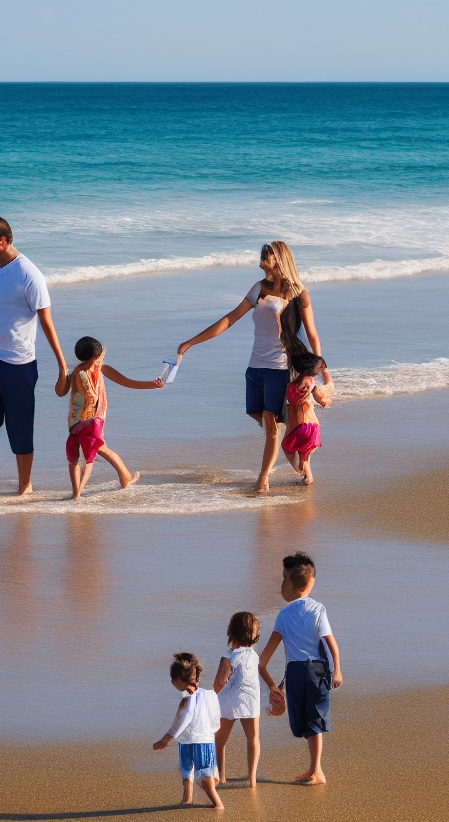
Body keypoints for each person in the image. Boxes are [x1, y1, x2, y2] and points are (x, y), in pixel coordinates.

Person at [175, 241, 323, 494]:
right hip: (255, 365)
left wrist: (313, 373)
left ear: (277, 260)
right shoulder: (259, 288)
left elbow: (312, 335)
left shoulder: (298, 293)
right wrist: (189, 343)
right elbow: (230, 319)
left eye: (265, 256)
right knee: (256, 413)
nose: (260, 259)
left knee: (269, 421)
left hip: (280, 367)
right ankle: (292, 442)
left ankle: (263, 478)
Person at [0, 217, 69, 502]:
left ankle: (25, 487)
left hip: (19, 364)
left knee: (20, 429)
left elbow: (47, 321)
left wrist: (62, 365)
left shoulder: (28, 273)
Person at [258, 552, 343, 785]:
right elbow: (331, 645)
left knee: (311, 721)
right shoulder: (305, 611)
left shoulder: (301, 612)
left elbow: (262, 660)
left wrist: (272, 686)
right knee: (308, 722)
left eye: (283, 579)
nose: (280, 585)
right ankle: (314, 769)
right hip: (309, 671)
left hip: (305, 671)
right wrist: (336, 670)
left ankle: (317, 771)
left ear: (294, 585)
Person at [65, 336, 163, 499]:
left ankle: (122, 478)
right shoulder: (100, 369)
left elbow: (62, 390)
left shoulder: (75, 372)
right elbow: (127, 382)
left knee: (93, 450)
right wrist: (151, 385)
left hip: (76, 421)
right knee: (95, 451)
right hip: (95, 419)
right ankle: (81, 493)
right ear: (97, 356)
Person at [153, 653, 224, 810]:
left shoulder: (188, 698)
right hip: (196, 740)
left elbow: (183, 718)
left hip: (198, 741)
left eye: (173, 679)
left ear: (178, 679)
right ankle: (187, 799)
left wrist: (166, 738)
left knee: (203, 778)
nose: (171, 682)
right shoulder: (210, 694)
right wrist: (210, 733)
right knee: (187, 771)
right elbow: (216, 719)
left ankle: (218, 805)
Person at [213, 612, 268, 787]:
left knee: (220, 741)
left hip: (228, 701)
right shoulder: (254, 655)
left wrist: (210, 698)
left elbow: (220, 681)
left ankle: (221, 776)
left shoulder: (229, 656)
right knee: (253, 739)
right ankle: (252, 779)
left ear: (231, 632)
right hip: (251, 701)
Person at [281, 352, 333, 487]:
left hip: (299, 426)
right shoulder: (312, 385)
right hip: (312, 425)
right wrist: (326, 402)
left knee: (288, 448)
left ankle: (305, 475)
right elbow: (321, 400)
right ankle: (304, 474)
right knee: (304, 454)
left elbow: (289, 399)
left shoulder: (291, 385)